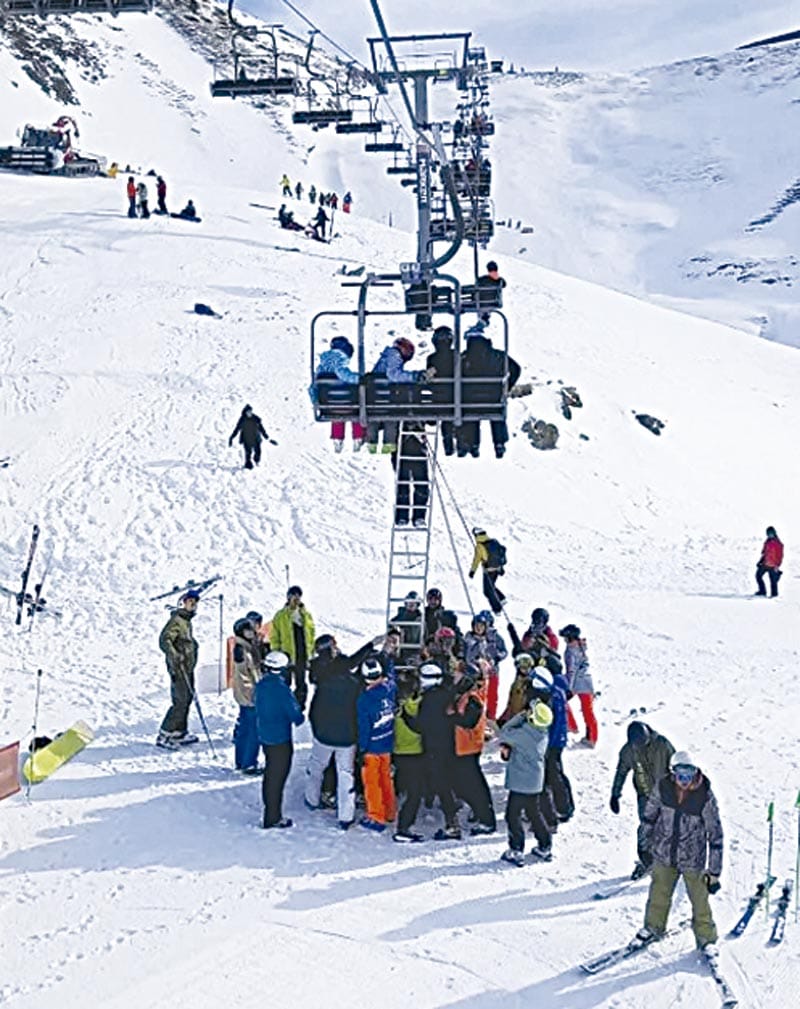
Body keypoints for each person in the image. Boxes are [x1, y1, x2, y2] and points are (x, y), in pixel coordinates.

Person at [637, 751, 723, 952]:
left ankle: (706, 939)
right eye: (680, 775)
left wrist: (714, 872)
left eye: (689, 775)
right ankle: (653, 927)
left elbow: (715, 834)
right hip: (664, 853)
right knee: (658, 894)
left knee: (700, 901)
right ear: (672, 773)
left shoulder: (704, 795)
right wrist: (645, 846)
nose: (684, 780)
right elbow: (649, 817)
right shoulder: (663, 788)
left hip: (693, 858)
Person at [305, 633, 377, 829]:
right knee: (346, 775)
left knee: (317, 767)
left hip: (323, 736)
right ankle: (345, 816)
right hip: (346, 738)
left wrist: (317, 730)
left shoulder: (322, 681)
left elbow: (314, 711)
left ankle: (311, 800)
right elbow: (360, 714)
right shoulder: (355, 685)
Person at [497, 674, 554, 865]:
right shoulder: (541, 733)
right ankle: (545, 845)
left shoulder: (524, 733)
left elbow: (504, 731)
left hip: (521, 782)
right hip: (535, 781)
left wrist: (521, 715)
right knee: (533, 813)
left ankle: (516, 849)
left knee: (512, 815)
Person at [402, 663, 461, 839]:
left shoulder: (429, 700)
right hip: (447, 746)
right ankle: (449, 818)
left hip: (433, 747)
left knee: (440, 785)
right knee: (443, 783)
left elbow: (421, 726)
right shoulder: (446, 694)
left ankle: (452, 824)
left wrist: (406, 717)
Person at [610, 721, 676, 879]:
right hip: (645, 795)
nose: (641, 746)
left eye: (644, 743)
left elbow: (677, 766)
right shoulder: (628, 751)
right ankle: (647, 862)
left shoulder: (662, 744)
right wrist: (615, 794)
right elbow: (621, 771)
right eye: (638, 744)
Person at [254, 650, 304, 828]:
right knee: (278, 778)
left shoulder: (260, 685)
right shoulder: (282, 690)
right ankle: (273, 816)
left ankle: (270, 811)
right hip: (281, 739)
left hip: (265, 736)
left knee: (270, 775)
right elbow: (296, 717)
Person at [457, 321, 520, 458]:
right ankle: (499, 443)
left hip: (471, 401)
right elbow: (515, 368)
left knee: (468, 411)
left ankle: (473, 445)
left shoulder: (463, 358)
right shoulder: (498, 355)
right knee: (497, 412)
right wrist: (507, 387)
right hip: (493, 399)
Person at [366, 337, 432, 453]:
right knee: (392, 415)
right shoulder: (394, 355)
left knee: (380, 416)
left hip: (376, 396)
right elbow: (393, 375)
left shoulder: (387, 357)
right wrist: (414, 376)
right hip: (384, 396)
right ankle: (388, 442)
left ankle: (373, 442)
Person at [451, 665, 496, 834]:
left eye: (458, 675)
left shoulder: (473, 700)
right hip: (462, 747)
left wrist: (450, 716)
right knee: (466, 784)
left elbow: (468, 721)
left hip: (469, 748)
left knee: (474, 785)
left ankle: (486, 820)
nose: (455, 677)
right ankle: (479, 812)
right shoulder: (463, 695)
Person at [156, 590, 200, 749]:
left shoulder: (186, 621)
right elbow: (164, 640)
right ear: (182, 603)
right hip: (179, 668)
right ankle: (165, 733)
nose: (193, 605)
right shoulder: (177, 620)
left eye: (195, 603)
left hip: (187, 667)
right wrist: (175, 656)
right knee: (180, 701)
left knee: (187, 698)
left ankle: (179, 732)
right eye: (190, 602)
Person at [357, 657, 397, 832]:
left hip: (372, 747)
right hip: (387, 743)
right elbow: (392, 677)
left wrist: (362, 748)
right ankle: (390, 811)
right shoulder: (390, 688)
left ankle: (376, 816)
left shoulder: (364, 700)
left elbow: (364, 727)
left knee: (372, 783)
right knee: (386, 779)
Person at [312, 335, 366, 452]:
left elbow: (312, 388)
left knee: (336, 413)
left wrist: (316, 402)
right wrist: (361, 379)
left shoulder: (320, 369)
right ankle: (358, 436)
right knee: (357, 410)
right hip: (349, 406)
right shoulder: (339, 363)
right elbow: (345, 376)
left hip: (329, 407)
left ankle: (337, 438)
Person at [392, 666, 425, 842]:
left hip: (398, 752)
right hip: (416, 752)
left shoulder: (395, 707)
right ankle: (403, 828)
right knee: (415, 792)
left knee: (402, 786)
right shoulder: (417, 706)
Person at [269, 586, 315, 710]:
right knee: (285, 683)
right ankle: (284, 707)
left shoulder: (306, 615)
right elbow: (274, 636)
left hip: (301, 655)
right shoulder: (280, 616)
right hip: (286, 655)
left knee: (301, 683)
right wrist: (277, 653)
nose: (296, 599)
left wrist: (311, 653)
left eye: (298, 596)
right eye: (293, 596)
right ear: (288, 597)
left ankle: (299, 707)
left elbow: (311, 635)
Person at [231, 617, 263, 773]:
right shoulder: (242, 650)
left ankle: (241, 761)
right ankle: (248, 763)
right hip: (249, 696)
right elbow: (243, 677)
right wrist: (254, 694)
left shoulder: (246, 647)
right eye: (248, 630)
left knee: (244, 729)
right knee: (252, 731)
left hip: (245, 696)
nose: (252, 633)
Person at [560, 623, 597, 748]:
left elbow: (572, 671)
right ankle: (592, 737)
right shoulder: (581, 646)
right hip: (587, 682)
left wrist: (568, 688)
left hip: (577, 683)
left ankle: (572, 726)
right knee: (588, 711)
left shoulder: (570, 651)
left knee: (562, 700)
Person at [426, 326, 456, 455]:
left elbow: (429, 377)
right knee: (449, 414)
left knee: (444, 412)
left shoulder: (432, 358)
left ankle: (448, 442)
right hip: (455, 396)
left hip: (437, 398)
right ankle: (451, 443)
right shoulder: (456, 356)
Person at [392, 423, 430, 527]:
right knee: (402, 485)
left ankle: (419, 516)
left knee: (422, 485)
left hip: (418, 449)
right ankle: (402, 516)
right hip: (401, 448)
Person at [468, 528, 506, 614]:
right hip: (497, 570)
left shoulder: (479, 546)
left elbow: (477, 560)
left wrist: (472, 571)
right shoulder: (494, 542)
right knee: (491, 587)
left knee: (487, 591)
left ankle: (497, 608)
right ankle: (501, 598)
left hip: (488, 571)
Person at [228, 404, 270, 470]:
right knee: (248, 453)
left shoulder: (256, 419)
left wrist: (266, 436)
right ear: (245, 412)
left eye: (250, 411)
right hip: (246, 439)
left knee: (258, 451)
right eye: (248, 412)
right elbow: (237, 429)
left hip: (256, 438)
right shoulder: (242, 420)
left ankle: (256, 461)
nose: (249, 413)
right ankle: (248, 465)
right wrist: (232, 437)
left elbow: (261, 428)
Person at [390, 591, 423, 655]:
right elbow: (391, 626)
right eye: (409, 603)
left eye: (413, 603)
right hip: (400, 649)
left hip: (415, 650)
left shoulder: (421, 620)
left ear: (417, 605)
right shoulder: (400, 616)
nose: (411, 605)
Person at [756, 526, 783, 597]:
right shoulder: (767, 542)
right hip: (765, 563)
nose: (770, 535)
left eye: (771, 533)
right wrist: (760, 561)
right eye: (768, 534)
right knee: (758, 576)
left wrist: (777, 565)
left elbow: (780, 556)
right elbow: (764, 553)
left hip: (773, 565)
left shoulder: (778, 543)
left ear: (774, 533)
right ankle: (762, 591)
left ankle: (774, 595)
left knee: (773, 581)